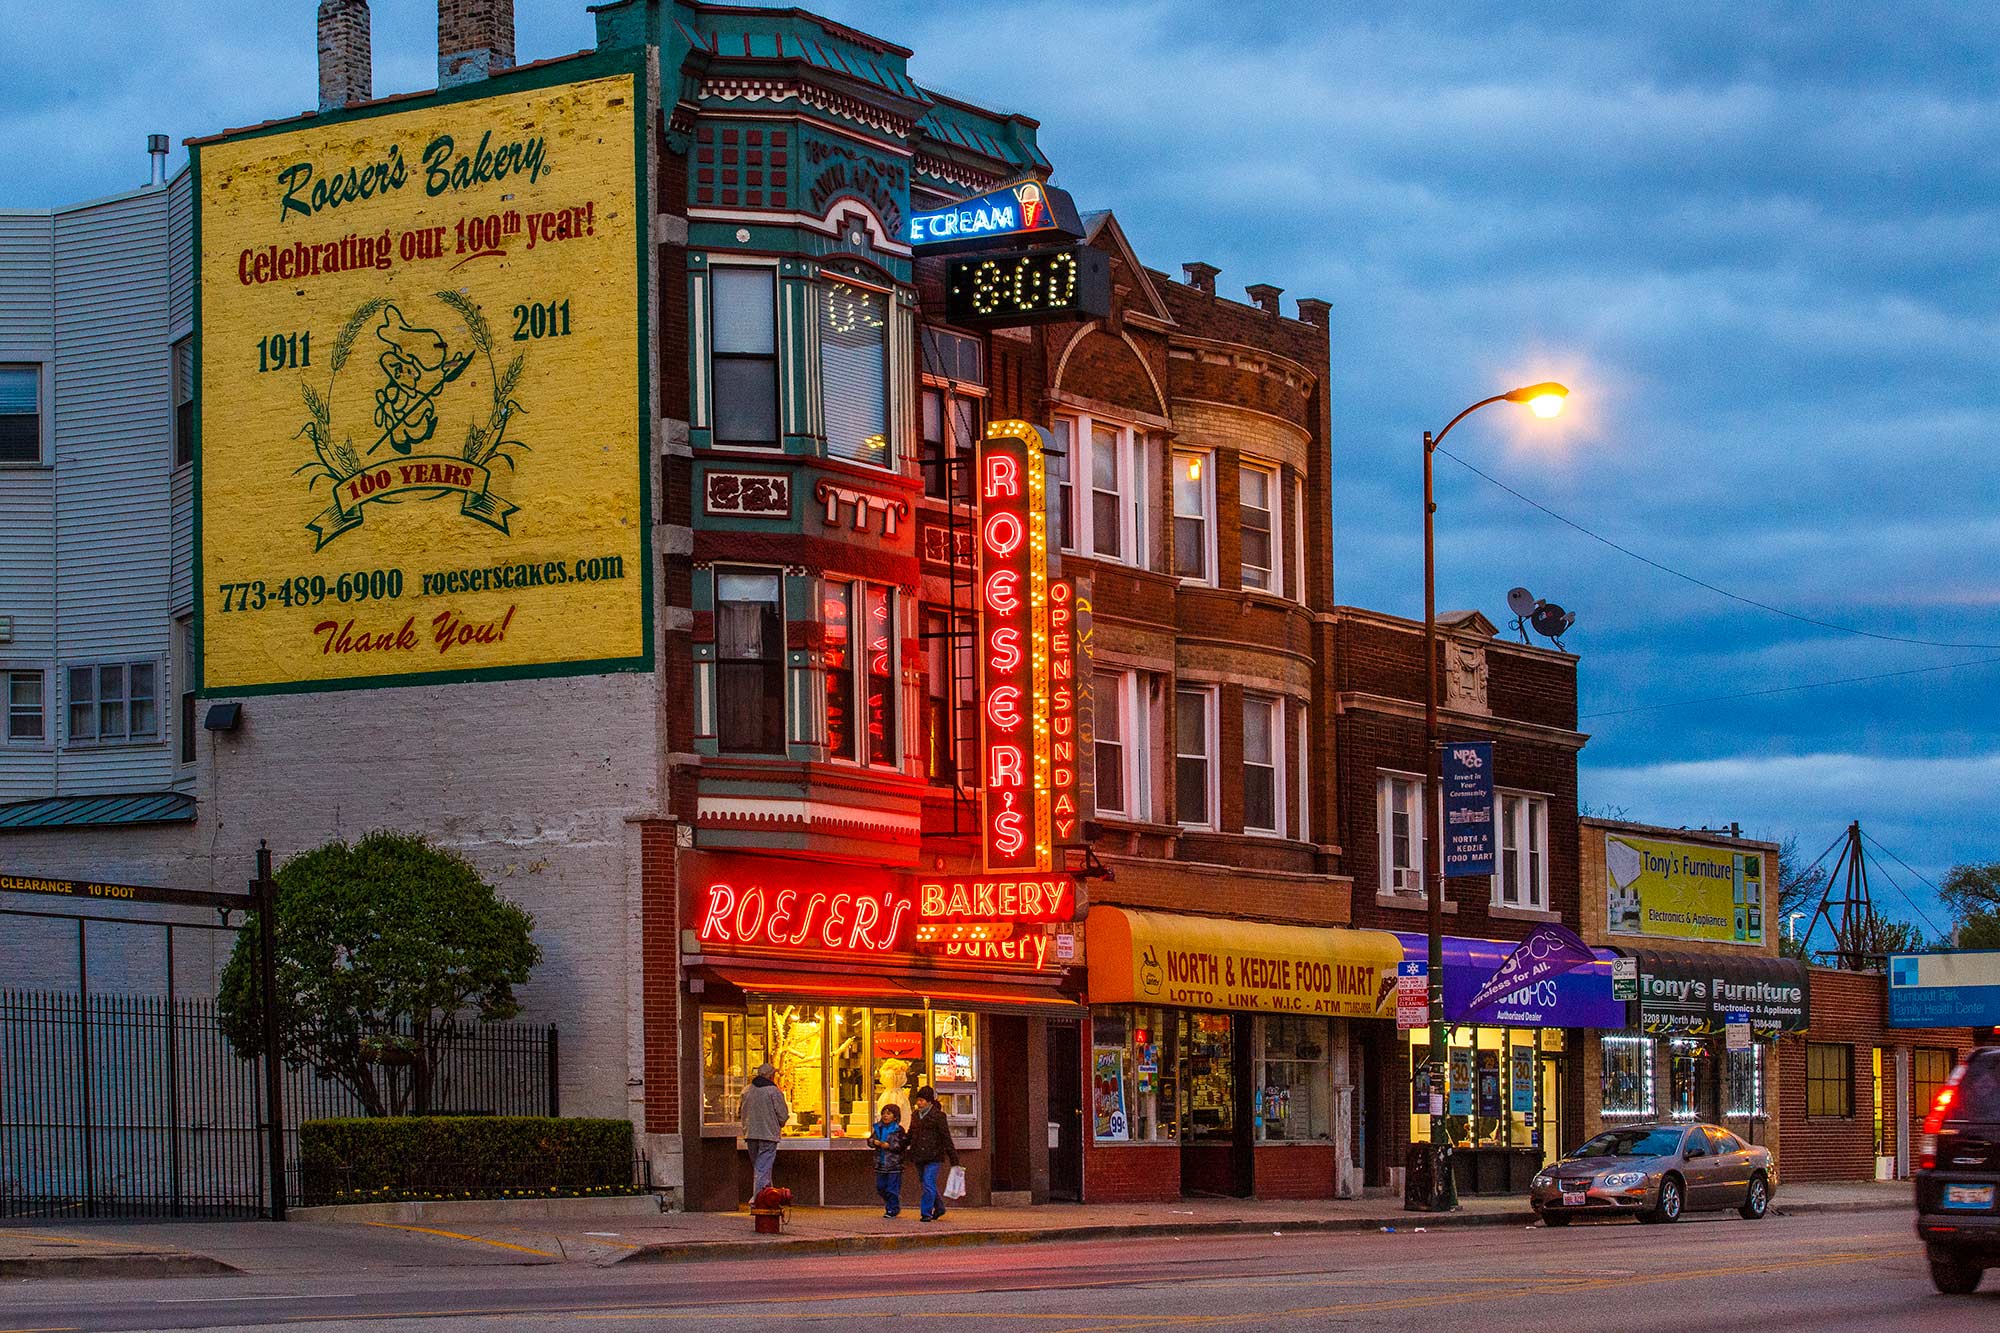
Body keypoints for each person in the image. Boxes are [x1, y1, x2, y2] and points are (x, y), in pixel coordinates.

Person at [906, 1084, 960, 1222]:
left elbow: (946, 1137)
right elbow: (910, 1134)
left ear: (929, 1101)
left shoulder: (938, 1116)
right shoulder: (915, 1115)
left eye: (922, 1100)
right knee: (926, 1183)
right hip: (918, 1155)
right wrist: (901, 1146)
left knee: (928, 1182)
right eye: (918, 1100)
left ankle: (926, 1213)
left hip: (933, 1156)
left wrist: (954, 1159)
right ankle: (939, 1207)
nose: (919, 1103)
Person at [738, 1061, 789, 1202]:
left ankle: (768, 1197)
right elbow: (783, 1115)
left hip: (750, 1134)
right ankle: (759, 1200)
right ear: (771, 1076)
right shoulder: (773, 1091)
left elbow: (739, 1112)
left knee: (760, 1168)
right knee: (763, 1169)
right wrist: (779, 1124)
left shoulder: (746, 1090)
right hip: (768, 1135)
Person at [867, 1103, 907, 1218]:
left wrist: (889, 1146)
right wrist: (873, 1142)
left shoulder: (898, 1130)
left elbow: (902, 1145)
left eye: (888, 1114)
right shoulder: (878, 1128)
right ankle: (892, 1203)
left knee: (892, 1188)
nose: (885, 1116)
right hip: (880, 1163)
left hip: (894, 1164)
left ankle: (892, 1209)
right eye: (883, 1113)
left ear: (895, 1117)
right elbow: (870, 1140)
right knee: (880, 1187)